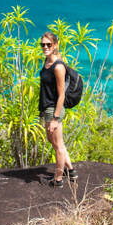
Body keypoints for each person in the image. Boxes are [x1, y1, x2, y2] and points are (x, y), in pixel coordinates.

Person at [38, 31, 77, 187]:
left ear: (55, 45)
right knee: (53, 141)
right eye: (43, 44)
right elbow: (46, 89)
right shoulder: (47, 62)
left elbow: (61, 95)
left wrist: (55, 118)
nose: (45, 47)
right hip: (47, 108)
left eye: (49, 44)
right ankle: (71, 171)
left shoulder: (58, 66)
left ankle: (58, 180)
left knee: (58, 146)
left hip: (55, 109)